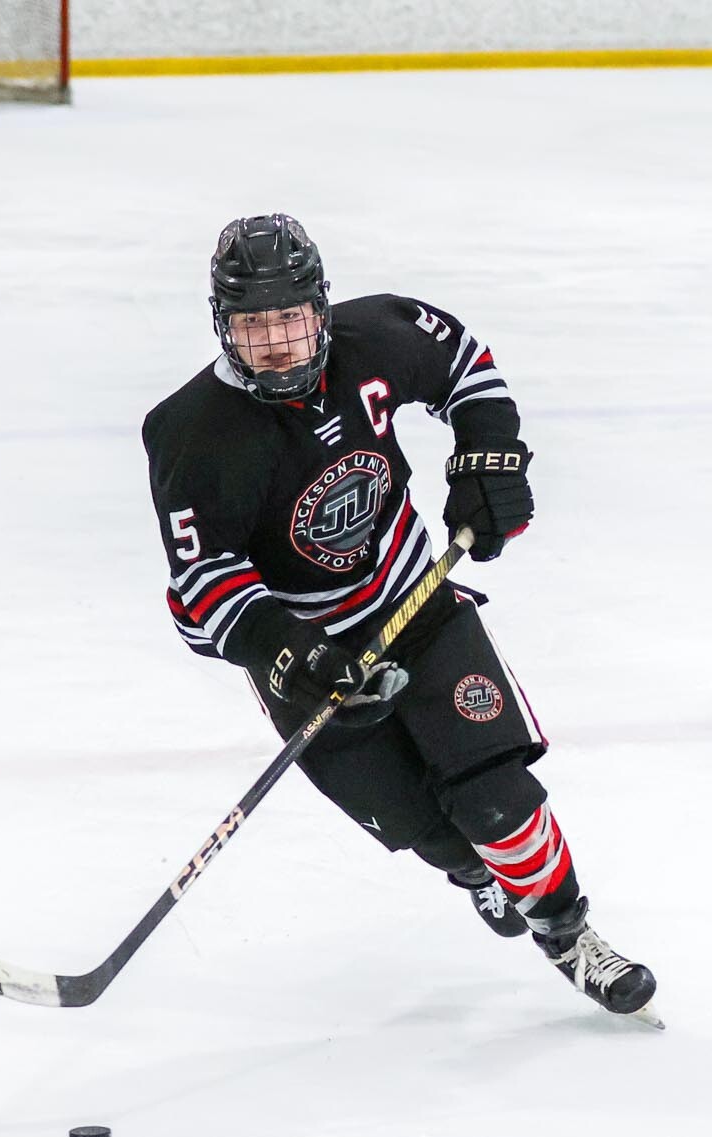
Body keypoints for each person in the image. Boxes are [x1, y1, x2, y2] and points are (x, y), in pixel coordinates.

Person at [141, 213, 657, 1020]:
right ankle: (477, 871)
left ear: (321, 307)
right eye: (253, 326)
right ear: (222, 326)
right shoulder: (191, 433)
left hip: (417, 604)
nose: (276, 343)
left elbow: (465, 363)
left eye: (290, 318)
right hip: (313, 658)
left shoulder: (376, 335)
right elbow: (201, 588)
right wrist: (294, 655)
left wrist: (487, 460)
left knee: (495, 796)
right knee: (433, 826)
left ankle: (568, 935)